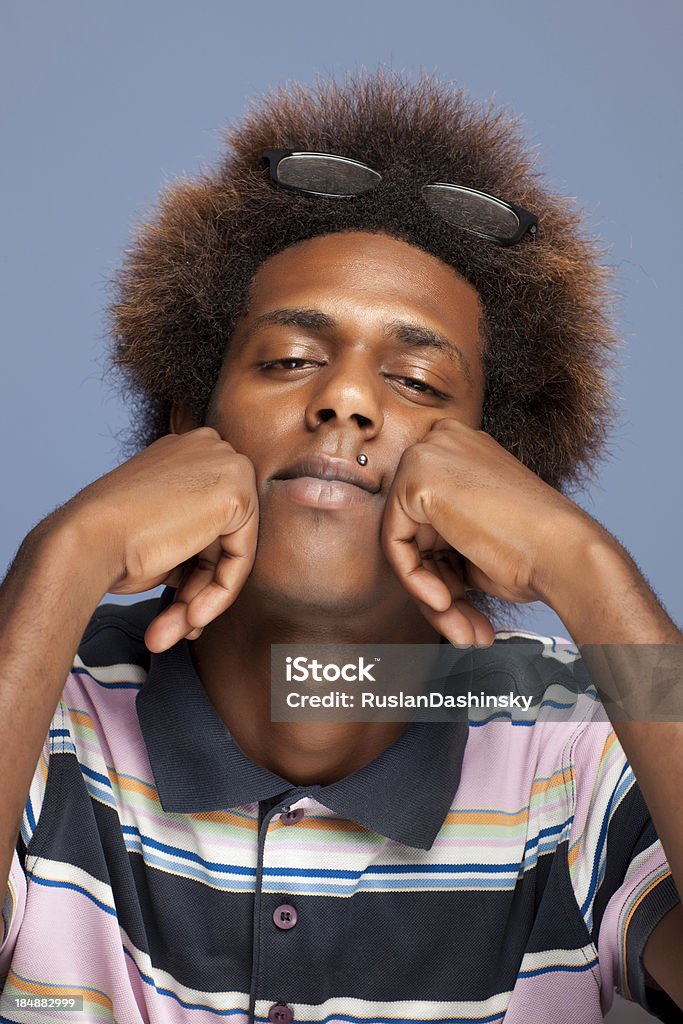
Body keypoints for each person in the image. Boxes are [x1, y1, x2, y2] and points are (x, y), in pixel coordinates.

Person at [0, 68, 681, 1024]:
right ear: (186, 429)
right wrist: (61, 558)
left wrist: (587, 568)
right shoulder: (41, 698)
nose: (347, 399)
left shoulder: (572, 730)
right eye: (287, 361)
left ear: (497, 482)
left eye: (416, 381)